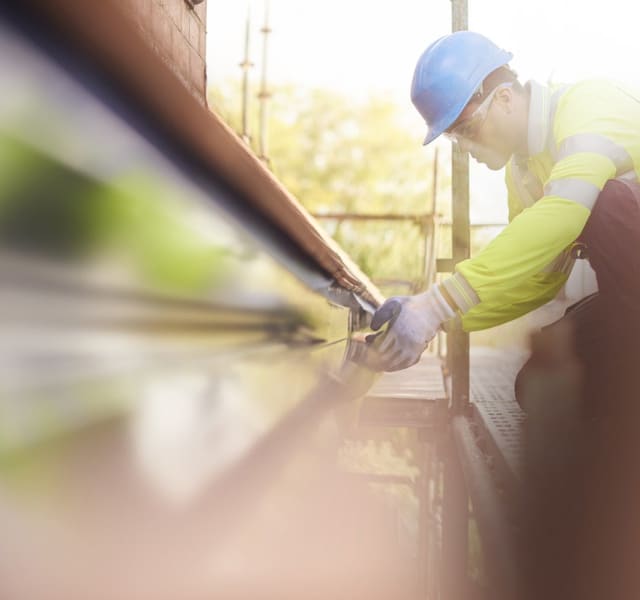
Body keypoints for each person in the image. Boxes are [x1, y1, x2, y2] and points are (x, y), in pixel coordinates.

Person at [370, 30, 640, 415]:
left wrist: (438, 302)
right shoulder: (523, 174)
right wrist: (435, 318)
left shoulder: (587, 107)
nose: (463, 146)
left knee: (608, 203)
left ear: (505, 98)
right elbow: (536, 280)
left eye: (465, 129)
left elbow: (564, 213)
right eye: (453, 138)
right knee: (541, 385)